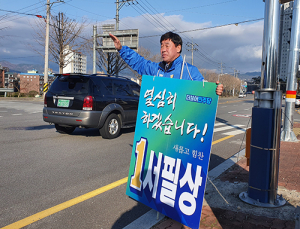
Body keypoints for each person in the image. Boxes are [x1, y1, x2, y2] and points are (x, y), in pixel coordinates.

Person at [109, 31, 223, 95]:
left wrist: (215, 90)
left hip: (179, 129)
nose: (163, 49)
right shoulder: (156, 69)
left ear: (178, 48)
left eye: (167, 46)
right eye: (161, 46)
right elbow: (140, 63)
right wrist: (121, 49)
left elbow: (204, 92)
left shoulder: (190, 71)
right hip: (159, 127)